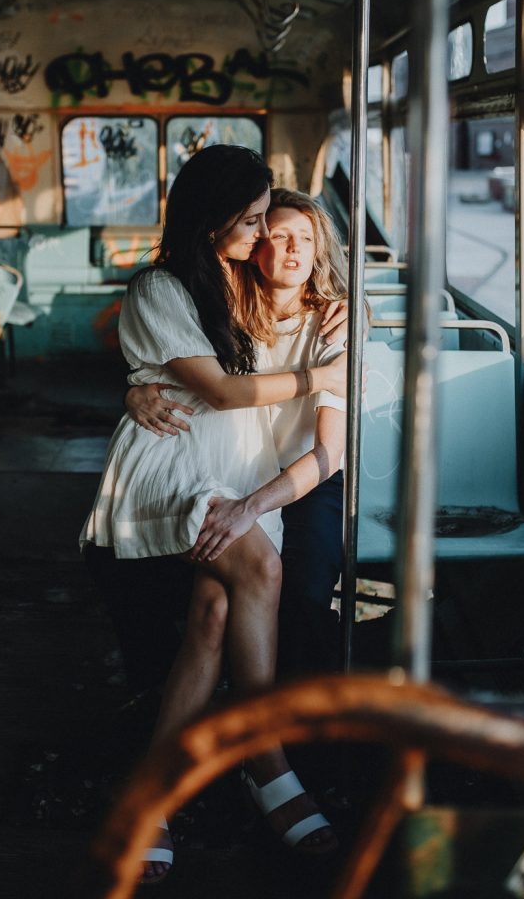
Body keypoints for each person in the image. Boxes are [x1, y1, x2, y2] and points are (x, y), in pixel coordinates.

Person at [80, 147, 346, 884]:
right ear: (214, 219)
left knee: (213, 614)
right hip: (173, 467)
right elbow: (222, 392)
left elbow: (260, 370)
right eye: (255, 221)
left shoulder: (245, 285)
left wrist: (337, 319)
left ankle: (150, 792)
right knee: (259, 564)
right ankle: (266, 758)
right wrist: (318, 374)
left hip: (234, 471)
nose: (267, 238)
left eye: (276, 225)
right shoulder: (163, 286)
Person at [127, 188, 363, 681]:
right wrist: (131, 393)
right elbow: (177, 374)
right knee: (199, 594)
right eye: (278, 235)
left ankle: (288, 724)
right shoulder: (222, 318)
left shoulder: (333, 327)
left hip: (305, 482)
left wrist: (250, 508)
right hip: (227, 471)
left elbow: (329, 453)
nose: (296, 249)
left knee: (301, 595)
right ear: (254, 246)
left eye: (306, 238)